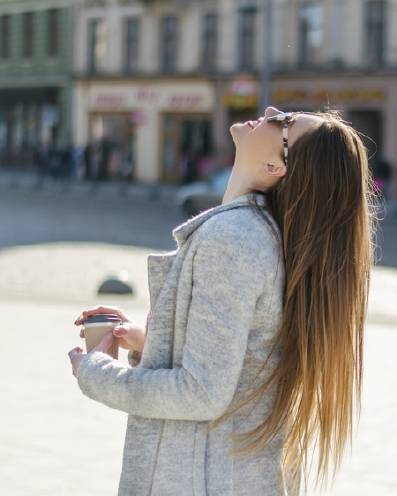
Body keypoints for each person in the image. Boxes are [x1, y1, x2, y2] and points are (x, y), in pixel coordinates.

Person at [67, 106, 376, 495]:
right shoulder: (264, 236)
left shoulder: (233, 238)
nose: (270, 111)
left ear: (275, 166)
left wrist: (95, 373)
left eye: (284, 122)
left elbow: (201, 393)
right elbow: (254, 362)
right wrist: (153, 342)